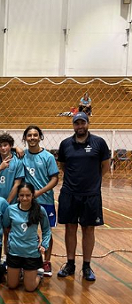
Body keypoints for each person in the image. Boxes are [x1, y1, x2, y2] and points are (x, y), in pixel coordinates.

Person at [57, 112, 110, 281]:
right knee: (70, 228)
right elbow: (63, 165)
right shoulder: (65, 144)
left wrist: (93, 182)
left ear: (88, 123)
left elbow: (105, 166)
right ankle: (70, 264)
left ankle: (87, 266)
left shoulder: (99, 143)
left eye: (82, 123)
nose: (80, 126)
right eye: (77, 123)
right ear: (73, 125)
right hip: (69, 193)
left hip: (91, 195)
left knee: (88, 229)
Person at [22, 125, 59, 277]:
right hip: (27, 202)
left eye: (35, 135)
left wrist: (39, 192)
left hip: (45, 200)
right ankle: (26, 259)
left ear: (40, 137)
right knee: (26, 230)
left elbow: (55, 179)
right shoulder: (21, 155)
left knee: (47, 232)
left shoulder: (48, 157)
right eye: (29, 135)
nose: (32, 138)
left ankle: (46, 261)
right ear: (25, 138)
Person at [3, 182, 51, 292]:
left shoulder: (40, 210)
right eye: (21, 195)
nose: (24, 198)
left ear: (33, 195)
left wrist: (44, 245)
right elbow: (6, 225)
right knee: (11, 285)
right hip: (14, 252)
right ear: (18, 196)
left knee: (29, 288)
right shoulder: (10, 209)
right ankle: (20, 273)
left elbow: (46, 229)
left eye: (28, 195)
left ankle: (39, 275)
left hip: (31, 253)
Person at [0, 132, 25, 203]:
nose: (3, 148)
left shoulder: (18, 162)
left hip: (11, 202)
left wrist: (7, 203)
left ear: (11, 146)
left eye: (5, 145)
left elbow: (17, 184)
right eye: (0, 146)